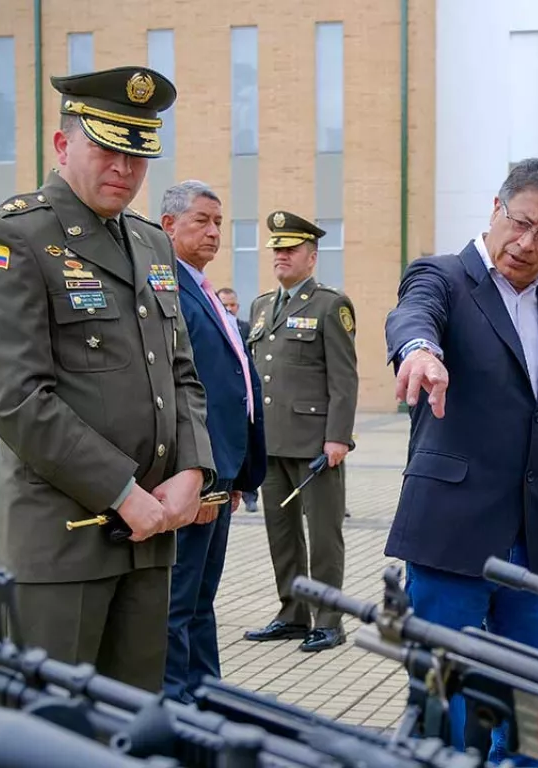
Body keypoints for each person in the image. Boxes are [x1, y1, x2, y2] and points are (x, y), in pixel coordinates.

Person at [0, 66, 215, 692]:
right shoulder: (11, 236)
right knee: (47, 733)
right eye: (107, 147)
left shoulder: (153, 243)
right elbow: (19, 400)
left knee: (131, 724)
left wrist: (192, 470)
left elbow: (180, 372)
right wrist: (127, 494)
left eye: (137, 154)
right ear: (63, 144)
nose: (123, 169)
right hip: (63, 544)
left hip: (152, 538)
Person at [385, 158, 538, 764]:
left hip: (535, 546)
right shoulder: (442, 277)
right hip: (454, 533)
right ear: (496, 209)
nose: (528, 244)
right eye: (521, 223)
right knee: (446, 697)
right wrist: (419, 351)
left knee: (533, 701)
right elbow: (413, 315)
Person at [160, 180, 267, 702]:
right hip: (195, 474)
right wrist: (200, 475)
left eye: (219, 222)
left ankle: (206, 695)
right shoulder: (168, 292)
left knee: (202, 599)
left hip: (221, 472)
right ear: (168, 226)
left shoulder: (200, 287)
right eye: (201, 220)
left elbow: (234, 383)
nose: (213, 231)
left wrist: (236, 475)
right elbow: (179, 392)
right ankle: (176, 702)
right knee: (178, 602)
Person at [243, 210, 359, 653]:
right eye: (277, 249)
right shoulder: (260, 306)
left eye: (290, 250)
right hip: (271, 442)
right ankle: (292, 613)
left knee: (324, 536)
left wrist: (338, 438)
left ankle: (329, 620)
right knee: (282, 532)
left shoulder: (331, 304)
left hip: (315, 444)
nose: (281, 256)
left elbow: (344, 379)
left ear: (311, 258)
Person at [218, 286, 260, 513]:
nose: (230, 309)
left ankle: (250, 496)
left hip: (246, 400)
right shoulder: (216, 325)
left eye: (233, 305)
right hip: (226, 403)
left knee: (248, 453)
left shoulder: (245, 327)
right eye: (225, 305)